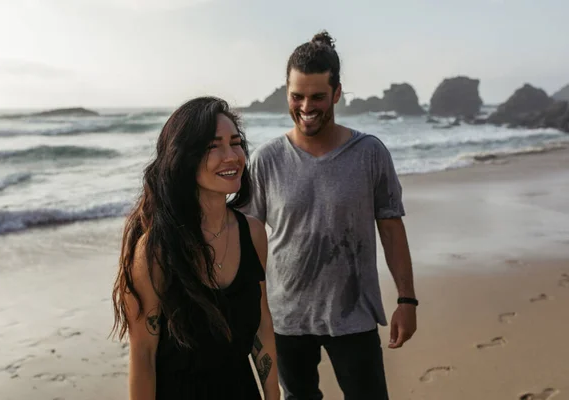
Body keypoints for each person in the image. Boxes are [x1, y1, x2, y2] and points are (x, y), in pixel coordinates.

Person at [243, 31, 418, 400]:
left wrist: (407, 300)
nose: (306, 106)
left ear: (337, 93)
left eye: (318, 96)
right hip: (286, 318)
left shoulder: (369, 153)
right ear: (287, 92)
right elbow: (246, 239)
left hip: (353, 314)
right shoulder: (265, 160)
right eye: (297, 96)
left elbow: (390, 227)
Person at [111, 97, 280, 400]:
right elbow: (143, 357)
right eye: (213, 146)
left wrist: (272, 395)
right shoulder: (156, 250)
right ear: (184, 157)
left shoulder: (253, 232)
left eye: (236, 142)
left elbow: (261, 324)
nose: (231, 156)